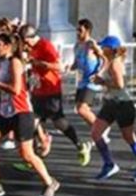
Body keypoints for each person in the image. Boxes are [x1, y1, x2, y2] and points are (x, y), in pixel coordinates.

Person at [0, 32, 60, 196]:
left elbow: (15, 89)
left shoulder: (15, 62)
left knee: (26, 154)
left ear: (7, 46)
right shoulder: (2, 62)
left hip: (21, 112)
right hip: (5, 112)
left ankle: (50, 182)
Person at [90, 35, 136, 183]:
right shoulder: (110, 60)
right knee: (95, 133)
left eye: (104, 46)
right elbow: (102, 58)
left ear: (111, 49)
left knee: (129, 137)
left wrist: (102, 82)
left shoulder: (115, 63)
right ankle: (109, 164)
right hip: (111, 103)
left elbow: (120, 85)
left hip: (123, 104)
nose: (102, 48)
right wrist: (94, 49)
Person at [22, 25, 90, 166]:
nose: (24, 44)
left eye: (25, 41)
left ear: (30, 38)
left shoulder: (46, 46)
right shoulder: (31, 47)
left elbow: (59, 66)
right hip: (37, 91)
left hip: (51, 91)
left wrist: (38, 63)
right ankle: (32, 159)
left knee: (59, 122)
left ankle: (80, 145)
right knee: (32, 123)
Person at [70, 19, 106, 143]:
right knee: (80, 109)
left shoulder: (91, 44)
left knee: (82, 109)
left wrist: (99, 73)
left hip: (92, 81)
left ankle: (101, 131)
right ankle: (97, 130)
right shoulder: (76, 46)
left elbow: (105, 59)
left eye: (80, 30)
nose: (77, 33)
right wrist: (67, 68)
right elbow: (76, 63)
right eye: (77, 30)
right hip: (83, 81)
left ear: (88, 31)